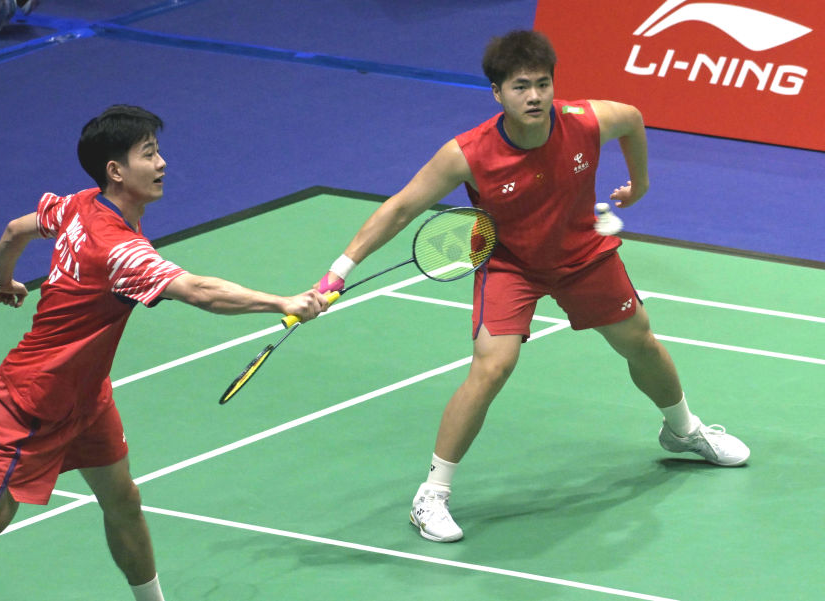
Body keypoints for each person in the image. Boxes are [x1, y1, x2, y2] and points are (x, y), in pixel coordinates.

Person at [315, 30, 749, 543]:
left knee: (640, 341)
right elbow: (400, 208)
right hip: (509, 265)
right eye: (520, 87)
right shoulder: (468, 153)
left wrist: (642, 184)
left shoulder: (585, 121)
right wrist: (338, 271)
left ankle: (683, 430)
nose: (535, 96)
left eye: (543, 84)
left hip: (581, 254)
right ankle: (431, 494)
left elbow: (633, 118)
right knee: (492, 367)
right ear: (497, 93)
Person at [0, 105, 329, 600]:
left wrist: (2, 281)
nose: (162, 164)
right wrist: (282, 302)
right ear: (116, 170)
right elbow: (199, 291)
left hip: (87, 396)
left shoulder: (79, 205)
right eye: (148, 154)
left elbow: (13, 230)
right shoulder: (118, 251)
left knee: (123, 501)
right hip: (33, 400)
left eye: (158, 151)